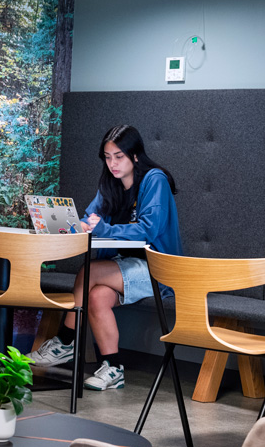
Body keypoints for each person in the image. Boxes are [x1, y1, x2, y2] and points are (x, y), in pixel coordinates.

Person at [24, 124, 181, 391]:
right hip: (124, 268)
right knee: (96, 296)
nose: (112, 164)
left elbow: (149, 229)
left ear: (134, 155)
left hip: (159, 269)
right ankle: (113, 369)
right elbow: (90, 218)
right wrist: (81, 225)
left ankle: (65, 341)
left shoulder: (155, 180)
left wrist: (103, 228)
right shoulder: (110, 183)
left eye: (118, 156)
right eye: (107, 157)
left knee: (89, 271)